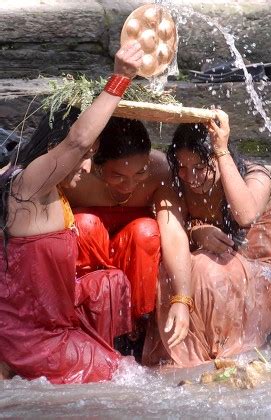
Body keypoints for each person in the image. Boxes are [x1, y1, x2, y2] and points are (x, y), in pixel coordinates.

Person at [0, 42, 145, 384]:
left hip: (45, 324)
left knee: (109, 283)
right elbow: (78, 140)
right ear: (54, 152)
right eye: (88, 156)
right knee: (130, 382)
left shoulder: (34, 186)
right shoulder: (29, 186)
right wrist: (121, 77)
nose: (88, 165)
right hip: (32, 339)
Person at [142, 111, 271, 367]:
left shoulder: (256, 178)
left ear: (220, 158)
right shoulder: (182, 183)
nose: (190, 177)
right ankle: (185, 357)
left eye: (200, 167)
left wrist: (221, 149)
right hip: (209, 274)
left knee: (203, 269)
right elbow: (175, 230)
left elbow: (244, 215)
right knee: (177, 267)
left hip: (262, 276)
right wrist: (195, 232)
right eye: (182, 167)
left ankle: (220, 356)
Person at [64, 116, 193, 352]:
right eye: (118, 176)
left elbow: (173, 231)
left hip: (135, 260)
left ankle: (136, 328)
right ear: (97, 164)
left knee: (145, 231)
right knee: (85, 225)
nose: (130, 185)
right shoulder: (74, 175)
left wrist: (182, 298)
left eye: (139, 173)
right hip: (89, 264)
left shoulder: (159, 170)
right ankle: (89, 319)